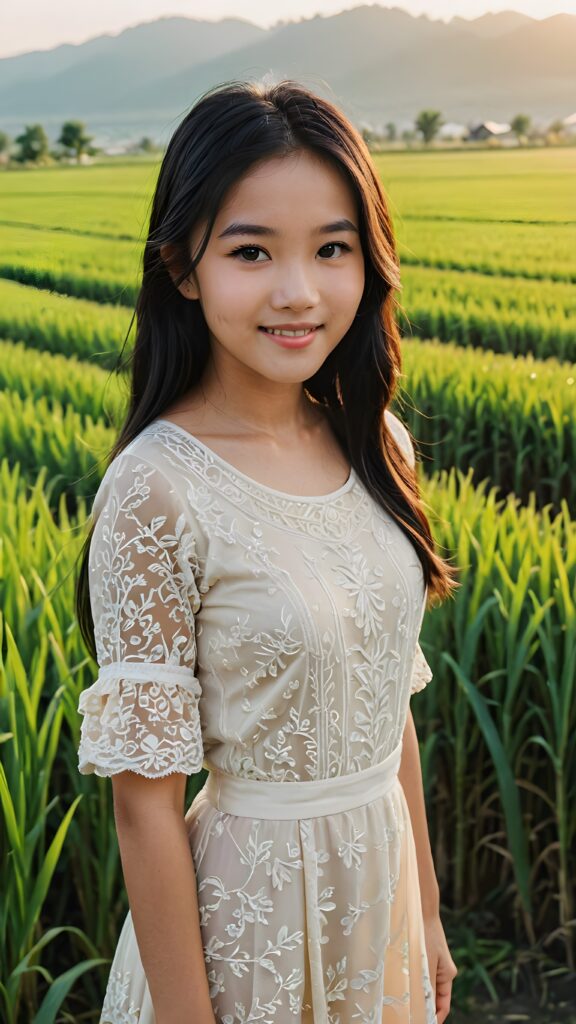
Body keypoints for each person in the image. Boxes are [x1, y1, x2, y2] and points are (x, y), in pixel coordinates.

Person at [75, 77, 459, 1024]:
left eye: (333, 248)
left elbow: (383, 712)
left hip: (381, 902)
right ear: (183, 266)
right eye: (252, 251)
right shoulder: (155, 489)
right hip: (247, 925)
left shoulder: (377, 445)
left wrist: (430, 909)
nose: (300, 292)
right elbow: (146, 805)